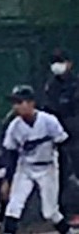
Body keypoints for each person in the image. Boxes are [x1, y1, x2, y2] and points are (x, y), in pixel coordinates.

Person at [0, 84, 79, 234]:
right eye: (15, 103)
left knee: (50, 212)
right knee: (14, 205)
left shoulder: (48, 121)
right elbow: (11, 155)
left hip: (48, 167)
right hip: (25, 167)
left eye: (20, 102)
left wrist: (67, 173)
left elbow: (63, 146)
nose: (16, 106)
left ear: (31, 103)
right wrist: (7, 180)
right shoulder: (14, 126)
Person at [41, 48, 79, 224]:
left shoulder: (76, 84)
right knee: (61, 175)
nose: (57, 65)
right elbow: (49, 110)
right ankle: (66, 213)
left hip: (76, 135)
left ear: (69, 64)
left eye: (61, 61)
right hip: (58, 138)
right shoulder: (50, 86)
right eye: (54, 62)